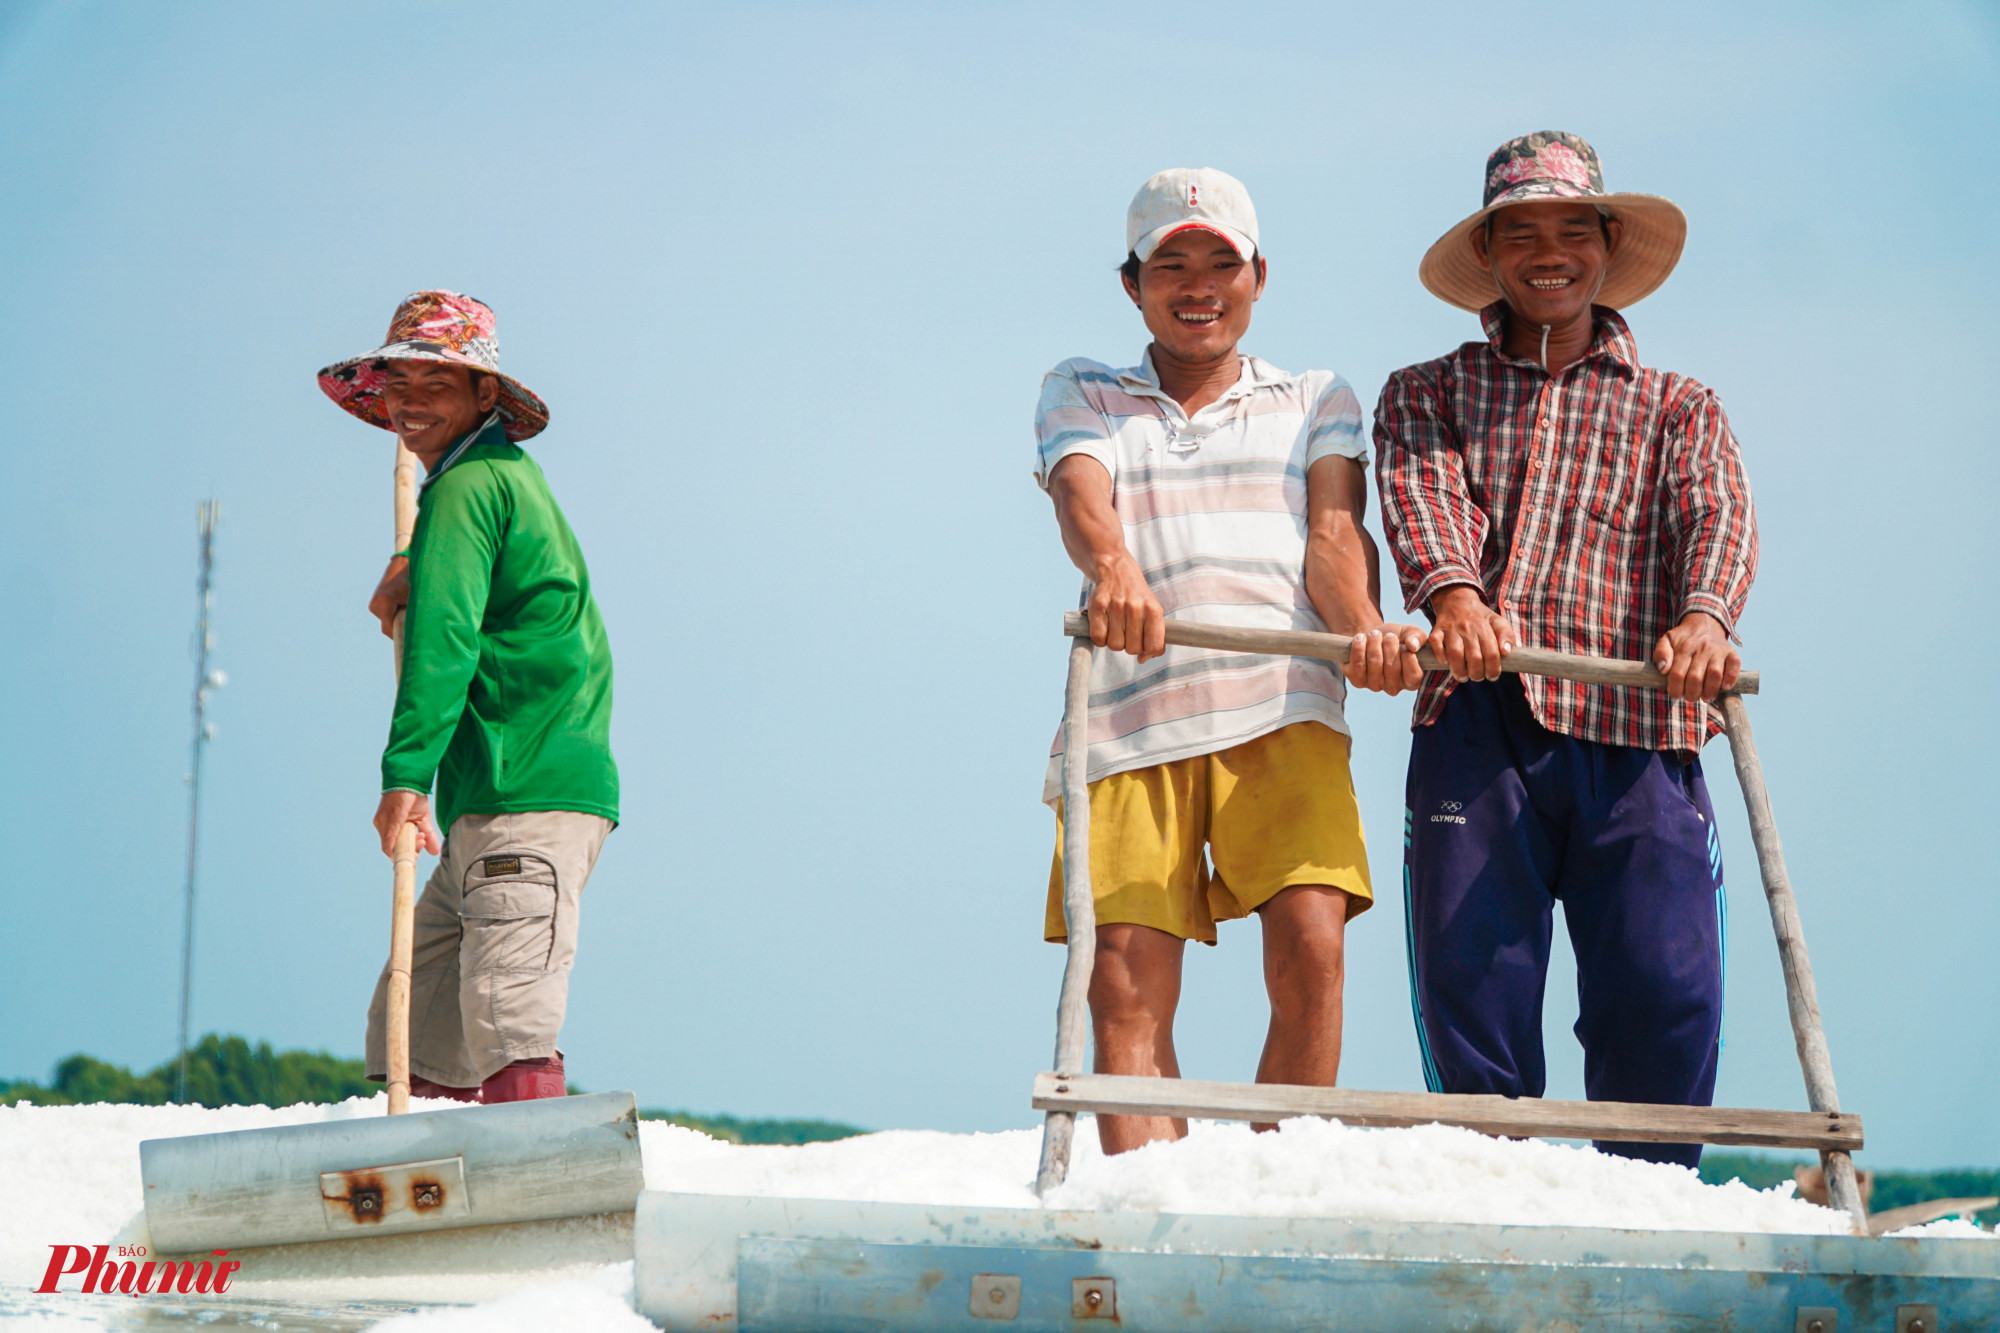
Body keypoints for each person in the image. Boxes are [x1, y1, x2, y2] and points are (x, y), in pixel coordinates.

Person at [1374, 132, 1757, 1166]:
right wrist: (1454, 595)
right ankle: (1496, 1203)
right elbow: (1421, 498)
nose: (1548, 253)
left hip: (1637, 724)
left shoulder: (1677, 404)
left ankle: (1646, 1208)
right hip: (1477, 723)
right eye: (1521, 233)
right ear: (1490, 254)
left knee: (1665, 988)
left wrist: (1703, 618)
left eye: (1568, 230)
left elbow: (1712, 515)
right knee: (1473, 979)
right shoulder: (1427, 390)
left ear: (1603, 242)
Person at [1035, 168, 1425, 1155]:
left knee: (1310, 944)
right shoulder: (1082, 386)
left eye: (1220, 261)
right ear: (1132, 284)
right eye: (1170, 263)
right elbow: (1083, 502)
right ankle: (1148, 1211)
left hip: (1282, 701)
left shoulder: (1312, 396)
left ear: (1257, 275)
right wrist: (1114, 568)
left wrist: (1367, 626)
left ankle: (1269, 1189)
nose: (1196, 283)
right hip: (1129, 715)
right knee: (1120, 974)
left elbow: (1335, 535)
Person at [317, 290, 619, 1104]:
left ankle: (533, 1200)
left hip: (526, 790)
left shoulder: (464, 490)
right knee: (423, 1023)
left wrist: (406, 776)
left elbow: (446, 642)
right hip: (491, 799)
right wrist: (418, 570)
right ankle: (437, 1193)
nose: (410, 402)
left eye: (436, 383)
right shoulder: (490, 483)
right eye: (399, 383)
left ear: (485, 394)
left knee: (505, 1013)